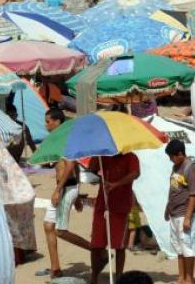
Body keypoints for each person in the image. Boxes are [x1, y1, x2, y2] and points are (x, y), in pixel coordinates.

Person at [40, 107, 81, 280]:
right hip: (65, 186)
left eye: (48, 121)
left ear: (57, 122)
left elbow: (71, 165)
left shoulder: (65, 138)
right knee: (48, 226)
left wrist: (58, 190)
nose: (45, 124)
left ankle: (97, 250)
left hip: (66, 187)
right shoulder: (57, 139)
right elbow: (75, 166)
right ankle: (55, 268)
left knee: (60, 230)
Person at [89, 150, 140, 283]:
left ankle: (118, 277)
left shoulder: (131, 157)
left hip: (121, 207)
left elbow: (135, 173)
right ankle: (94, 277)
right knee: (96, 244)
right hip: (103, 205)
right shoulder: (103, 156)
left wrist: (115, 184)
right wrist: (97, 154)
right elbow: (92, 168)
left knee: (119, 246)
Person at [164, 139, 195, 284]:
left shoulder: (191, 168)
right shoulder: (176, 167)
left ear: (180, 154)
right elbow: (173, 188)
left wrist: (188, 217)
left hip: (185, 213)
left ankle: (189, 279)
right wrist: (167, 207)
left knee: (187, 247)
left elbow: (193, 194)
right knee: (179, 248)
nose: (170, 160)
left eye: (171, 157)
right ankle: (181, 278)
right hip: (174, 213)